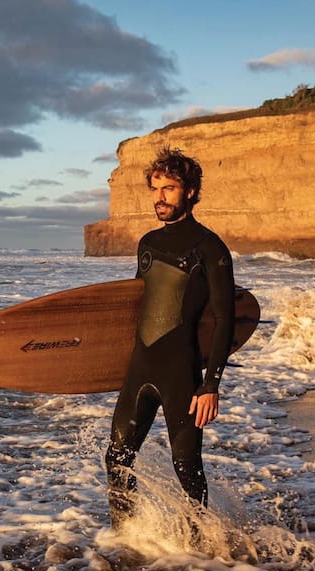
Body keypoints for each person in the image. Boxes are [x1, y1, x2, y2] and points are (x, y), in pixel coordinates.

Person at [105, 147, 235, 530]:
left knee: (187, 468)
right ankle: (126, 539)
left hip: (182, 374)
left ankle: (204, 547)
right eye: (156, 188)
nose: (160, 197)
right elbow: (136, 307)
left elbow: (225, 318)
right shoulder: (147, 243)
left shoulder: (210, 248)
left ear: (190, 192)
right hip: (140, 369)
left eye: (170, 188)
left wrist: (210, 385)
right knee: (117, 458)